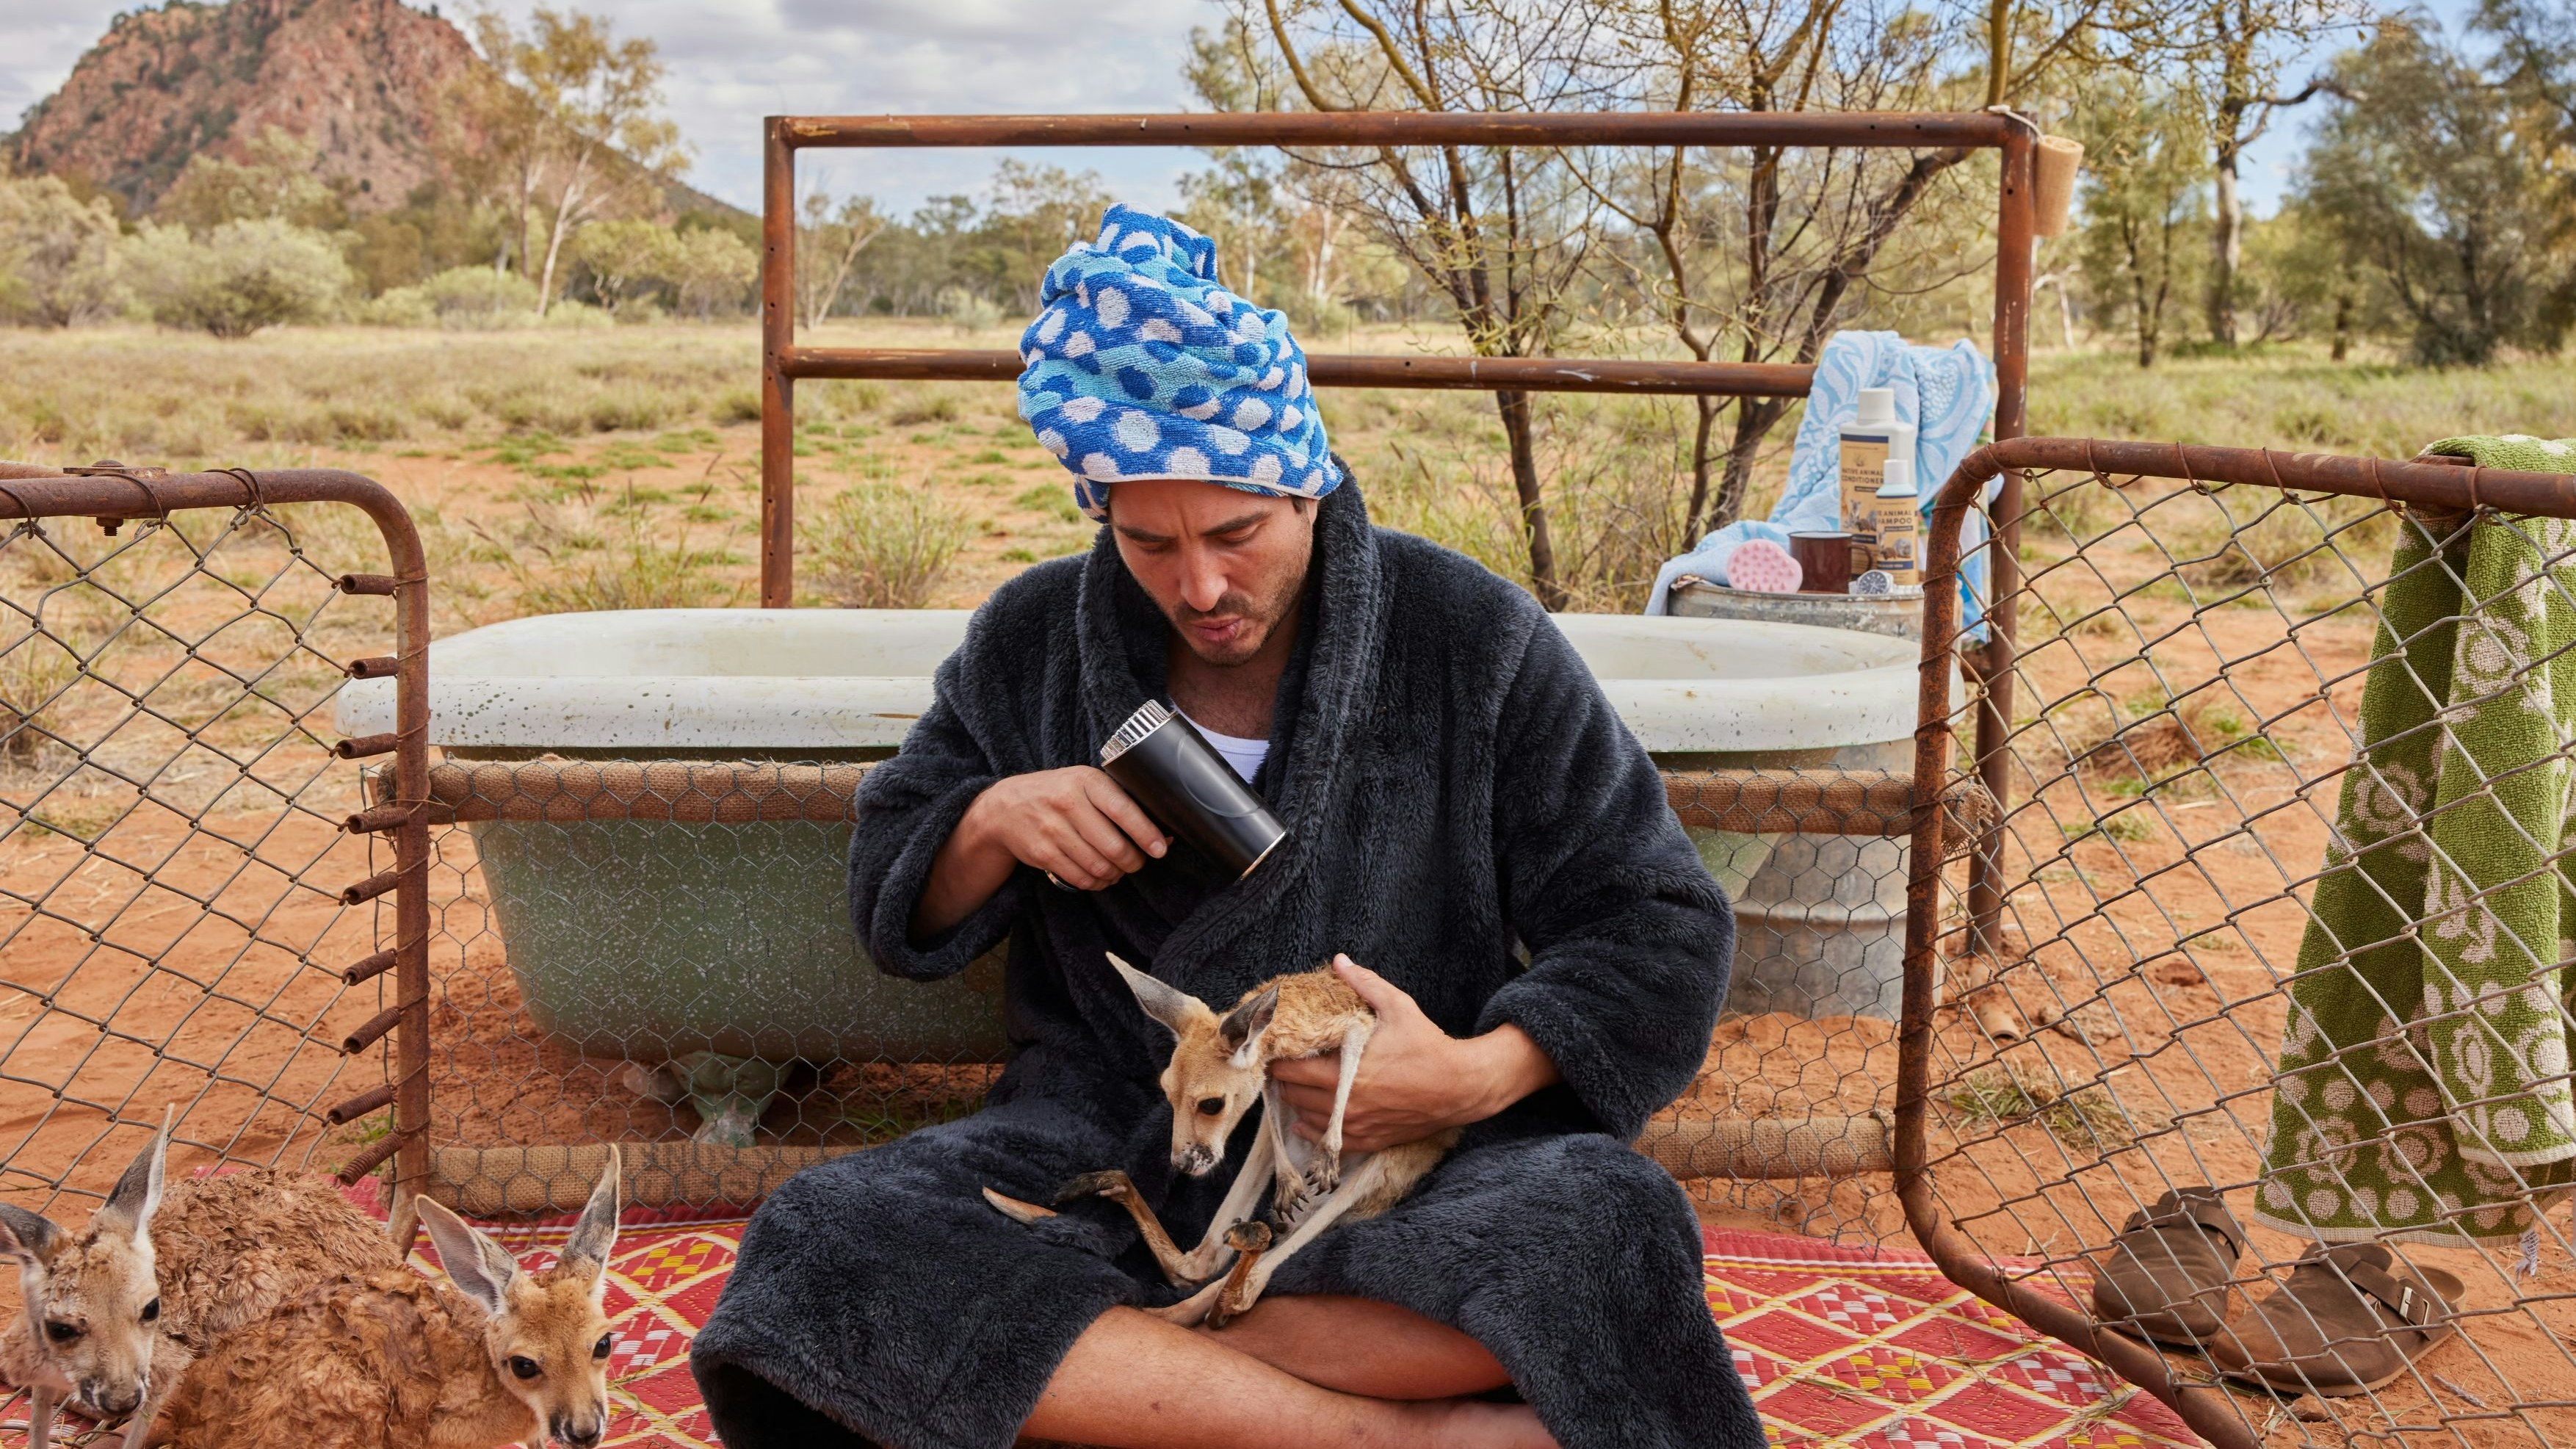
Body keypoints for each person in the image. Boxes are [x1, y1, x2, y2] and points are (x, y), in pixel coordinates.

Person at [691, 205, 1762, 1449]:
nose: (1199, 585)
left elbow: (1661, 922)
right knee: (825, 1244)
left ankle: (1114, 1378)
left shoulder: (1470, 638)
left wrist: (1468, 1074)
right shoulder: (1033, 642)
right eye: (1148, 541)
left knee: (1609, 1233)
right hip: (1107, 1137)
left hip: (1400, 1165)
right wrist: (992, 818)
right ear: (1103, 513)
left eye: (1236, 533)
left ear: (1304, 484)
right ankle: (1391, 1436)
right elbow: (893, 881)